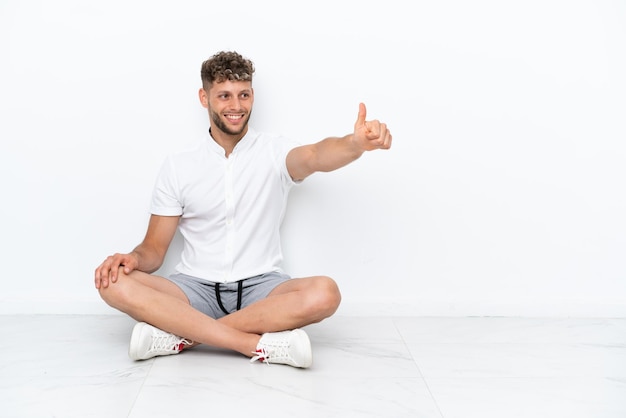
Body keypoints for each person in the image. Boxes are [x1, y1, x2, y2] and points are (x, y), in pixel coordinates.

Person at [94, 50, 392, 368]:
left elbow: (317, 155)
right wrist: (133, 259)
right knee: (111, 282)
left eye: (244, 95)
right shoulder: (179, 164)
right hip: (193, 289)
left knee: (325, 293)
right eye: (224, 95)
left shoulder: (276, 151)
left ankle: (182, 337)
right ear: (204, 97)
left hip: (261, 289)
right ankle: (252, 344)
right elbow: (154, 248)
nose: (236, 106)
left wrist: (355, 144)